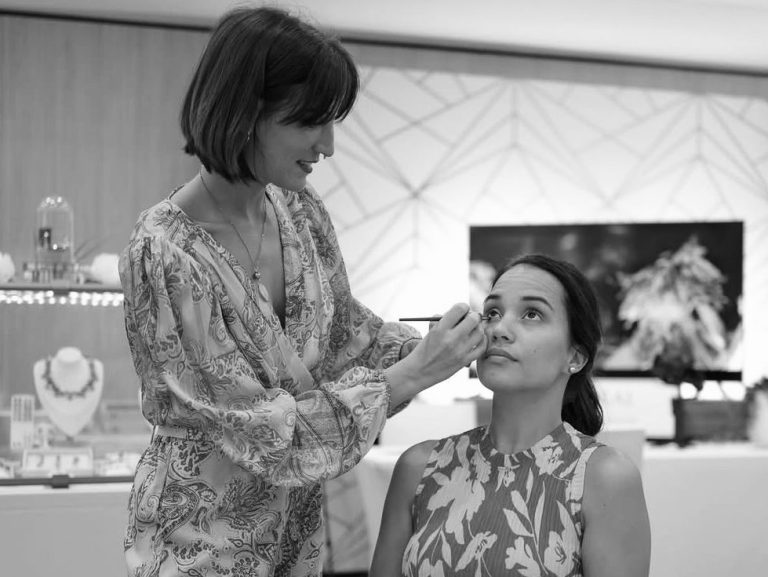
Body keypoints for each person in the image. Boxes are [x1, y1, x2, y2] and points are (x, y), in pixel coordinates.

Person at [118, 6, 486, 576]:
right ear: (246, 111)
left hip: (297, 531)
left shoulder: (300, 211)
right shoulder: (164, 252)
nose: (328, 146)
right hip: (198, 536)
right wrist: (413, 374)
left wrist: (445, 348)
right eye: (311, 122)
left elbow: (347, 340)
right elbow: (257, 429)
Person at [371, 254, 651, 577]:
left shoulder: (604, 478)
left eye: (532, 314)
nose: (499, 329)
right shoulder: (419, 468)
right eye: (492, 313)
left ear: (575, 357)